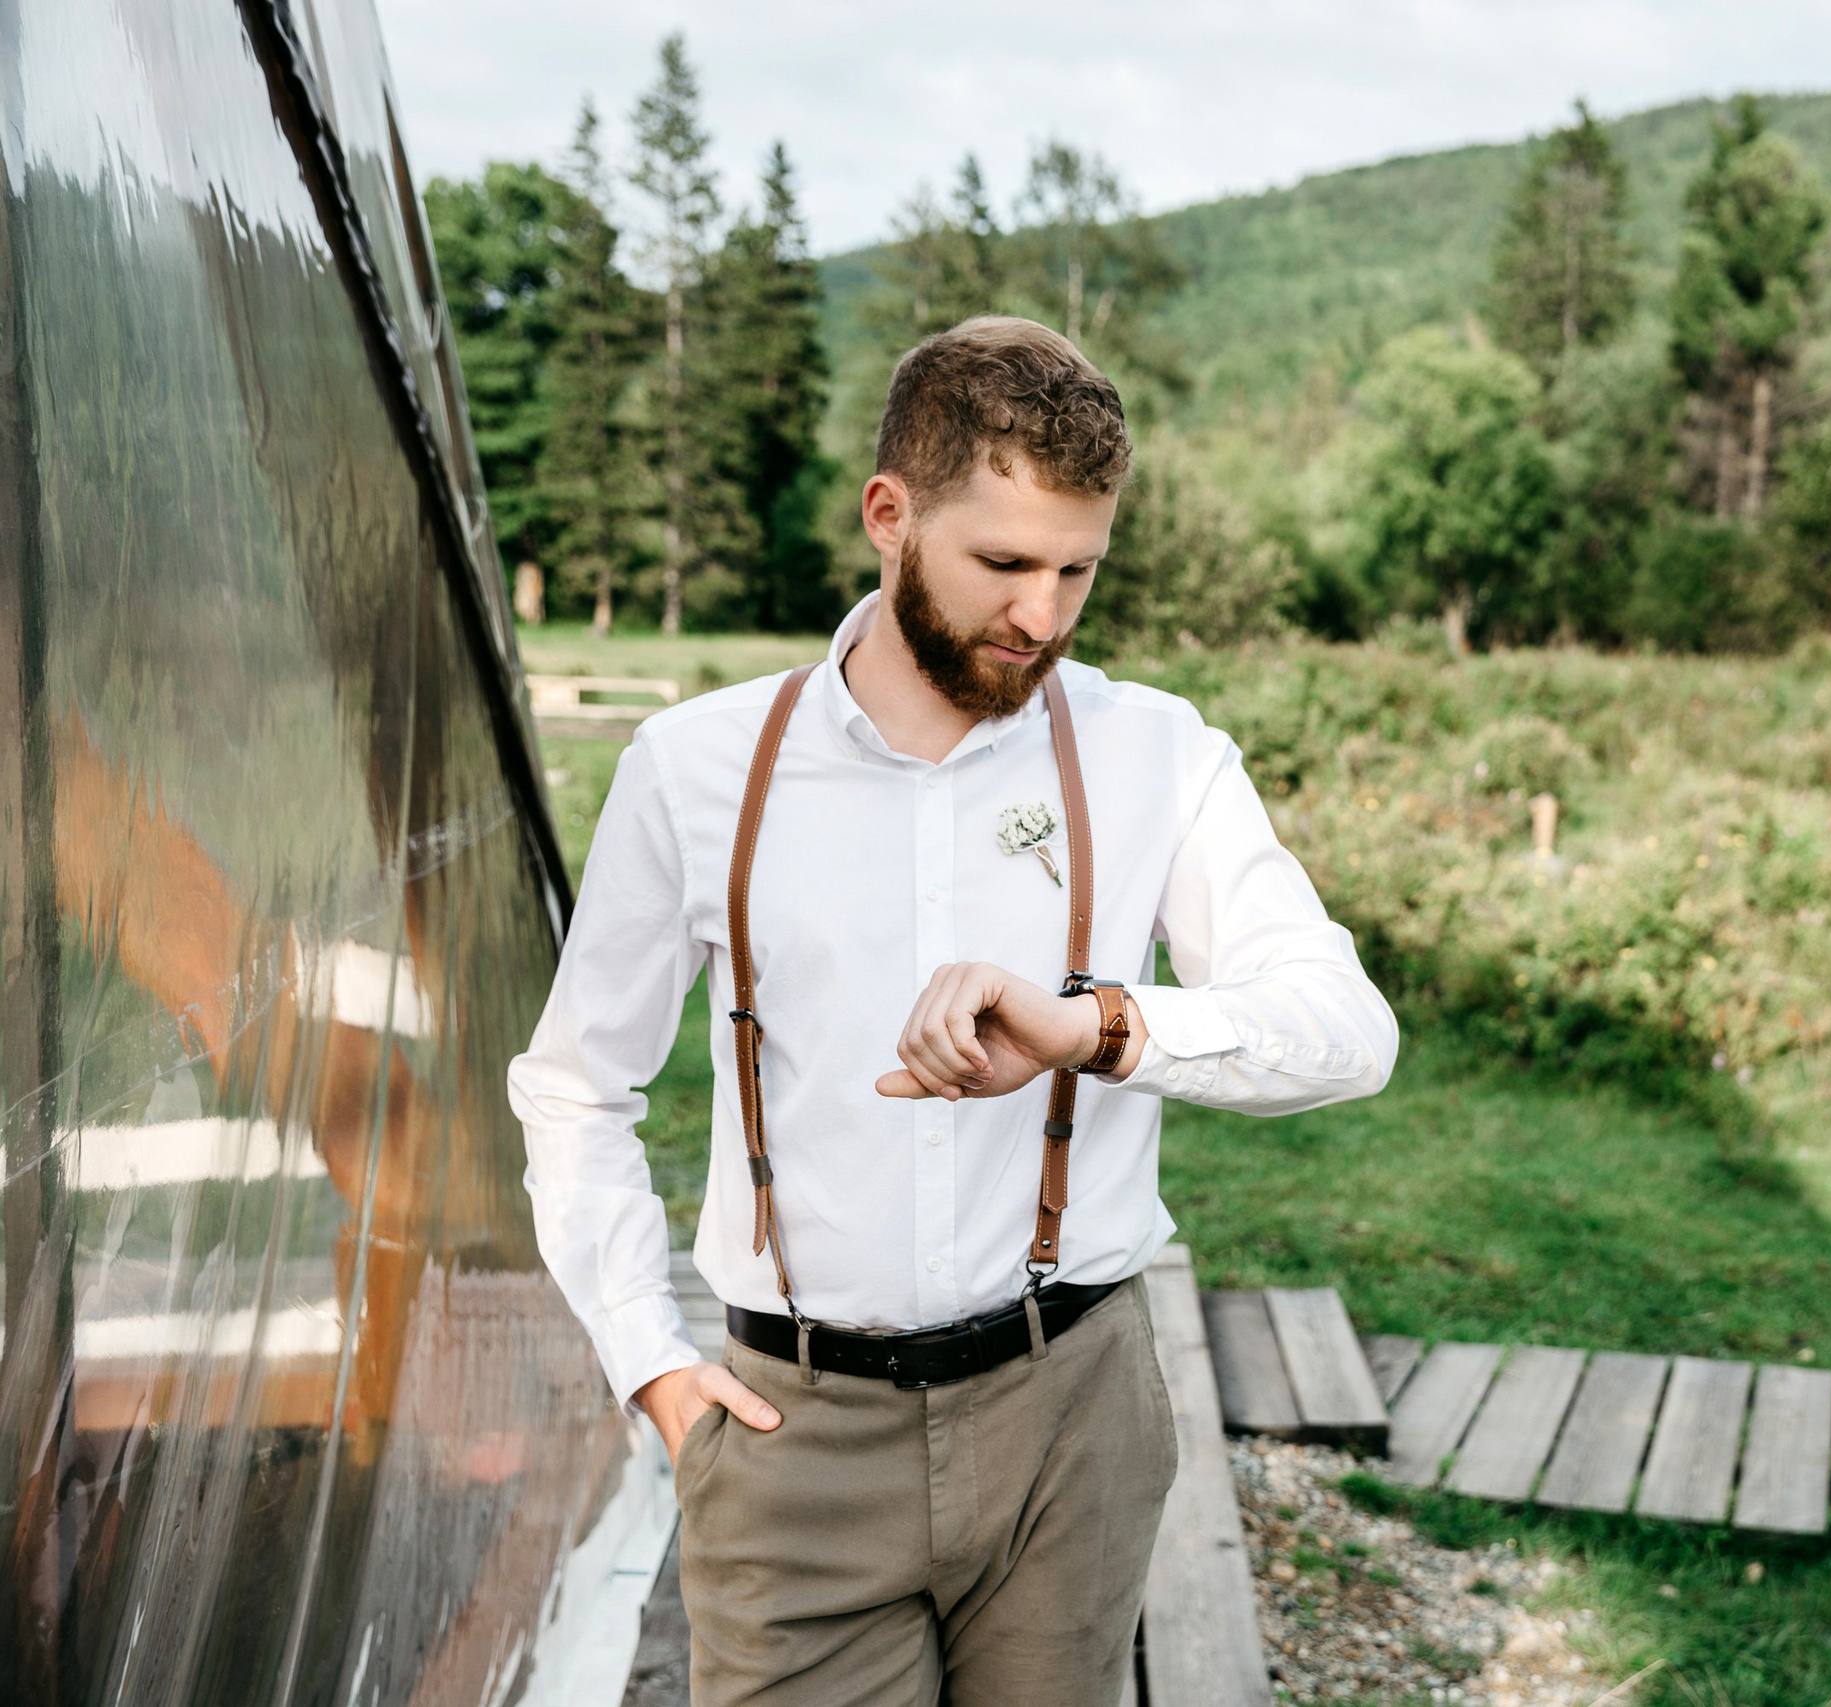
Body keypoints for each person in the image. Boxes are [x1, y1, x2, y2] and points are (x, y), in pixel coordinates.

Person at [507, 316, 1397, 1706]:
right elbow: (576, 1089)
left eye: (1078, 572)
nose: (1041, 616)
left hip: (1071, 1419)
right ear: (890, 515)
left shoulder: (1155, 749)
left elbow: (1348, 1030)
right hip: (793, 1434)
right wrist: (649, 1365)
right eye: (1003, 563)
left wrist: (1096, 1028)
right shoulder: (695, 768)